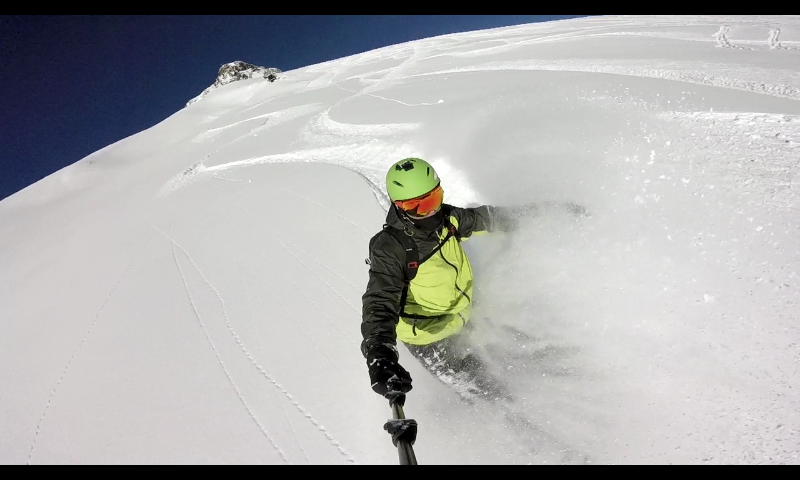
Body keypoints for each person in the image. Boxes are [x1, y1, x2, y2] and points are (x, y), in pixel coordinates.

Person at [361, 157, 586, 404]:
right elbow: (380, 301)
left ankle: (565, 371)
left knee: (515, 354)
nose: (431, 211)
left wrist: (546, 212)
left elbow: (489, 218)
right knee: (487, 391)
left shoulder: (449, 220)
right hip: (431, 338)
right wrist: (380, 353)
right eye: (418, 207)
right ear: (399, 206)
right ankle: (507, 415)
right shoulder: (390, 248)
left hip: (464, 315)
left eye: (434, 199)